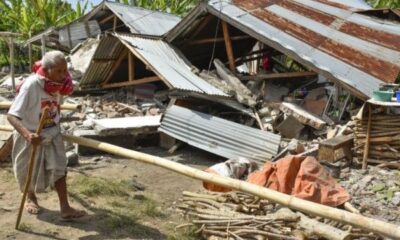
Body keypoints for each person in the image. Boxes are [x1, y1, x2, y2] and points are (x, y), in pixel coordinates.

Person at [7, 50, 86, 219]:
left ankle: (65, 207)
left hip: (51, 131)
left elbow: (56, 104)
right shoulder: (31, 86)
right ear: (47, 69)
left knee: (60, 169)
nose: (64, 74)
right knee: (27, 171)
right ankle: (30, 198)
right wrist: (28, 135)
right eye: (59, 71)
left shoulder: (61, 83)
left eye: (65, 70)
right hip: (29, 133)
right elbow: (11, 116)